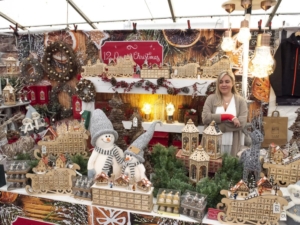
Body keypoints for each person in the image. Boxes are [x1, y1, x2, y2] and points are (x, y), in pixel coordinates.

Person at [202, 71, 248, 156]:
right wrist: (229, 117)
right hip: (211, 143)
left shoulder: (240, 101)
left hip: (233, 144)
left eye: (227, 81)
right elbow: (205, 118)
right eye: (221, 82)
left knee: (229, 167)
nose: (224, 84)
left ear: (233, 83)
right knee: (212, 167)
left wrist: (218, 126)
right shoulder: (211, 99)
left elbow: (241, 123)